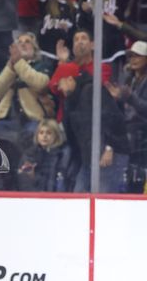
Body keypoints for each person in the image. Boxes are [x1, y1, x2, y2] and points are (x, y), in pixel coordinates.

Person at [56, 63, 129, 192]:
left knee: (103, 198)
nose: (59, 88)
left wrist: (109, 147)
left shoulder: (92, 91)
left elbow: (113, 119)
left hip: (110, 154)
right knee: (78, 196)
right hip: (89, 157)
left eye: (60, 83)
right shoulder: (71, 100)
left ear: (69, 79)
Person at [0, 33, 55, 143]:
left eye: (27, 42)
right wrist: (10, 67)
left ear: (35, 48)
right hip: (6, 119)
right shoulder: (11, 67)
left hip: (33, 119)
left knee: (28, 138)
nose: (22, 45)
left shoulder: (42, 65)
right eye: (19, 42)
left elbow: (41, 83)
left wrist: (18, 62)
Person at [105, 41, 147, 190]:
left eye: (138, 56)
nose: (133, 59)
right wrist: (117, 99)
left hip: (143, 137)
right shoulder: (127, 78)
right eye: (131, 56)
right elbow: (120, 111)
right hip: (127, 136)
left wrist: (130, 98)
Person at [49, 28, 113, 121]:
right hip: (67, 119)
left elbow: (96, 88)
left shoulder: (103, 67)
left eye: (83, 38)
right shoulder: (64, 67)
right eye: (76, 40)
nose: (79, 42)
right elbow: (53, 88)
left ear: (92, 45)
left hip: (92, 121)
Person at [17, 119, 71, 191]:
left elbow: (66, 181)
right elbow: (23, 184)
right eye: (41, 133)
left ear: (56, 136)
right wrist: (31, 177)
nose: (44, 136)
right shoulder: (30, 155)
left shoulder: (63, 155)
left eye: (48, 133)